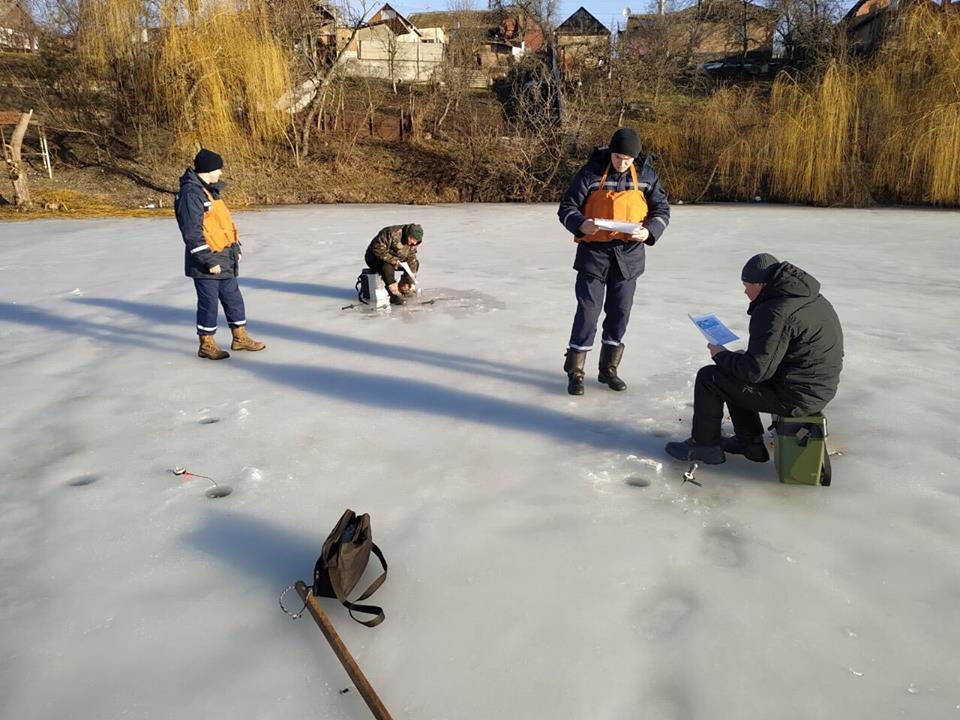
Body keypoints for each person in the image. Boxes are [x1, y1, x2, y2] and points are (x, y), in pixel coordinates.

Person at [665, 254, 843, 464]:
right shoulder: (809, 298)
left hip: (796, 397)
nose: (745, 291)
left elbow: (755, 372)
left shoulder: (775, 311)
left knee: (709, 378)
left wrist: (721, 355)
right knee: (733, 371)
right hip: (815, 388)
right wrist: (739, 360)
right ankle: (749, 443)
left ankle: (705, 446)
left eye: (746, 285)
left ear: (761, 284)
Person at [557, 127, 671, 395]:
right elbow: (566, 208)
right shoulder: (591, 173)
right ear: (611, 153)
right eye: (618, 157)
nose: (622, 163)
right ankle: (575, 371)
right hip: (593, 254)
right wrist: (580, 224)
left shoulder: (646, 176)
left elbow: (662, 210)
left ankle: (608, 369)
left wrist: (650, 230)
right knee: (588, 312)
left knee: (620, 313)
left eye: (627, 159)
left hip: (629, 255)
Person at [175, 148, 266, 360]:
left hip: (225, 257)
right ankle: (206, 344)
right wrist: (207, 259)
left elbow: (222, 225)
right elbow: (191, 232)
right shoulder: (191, 194)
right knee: (209, 303)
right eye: (218, 169)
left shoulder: (210, 190)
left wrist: (236, 248)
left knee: (233, 299)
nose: (221, 173)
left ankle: (240, 337)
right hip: (207, 262)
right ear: (208, 169)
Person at [364, 224, 423, 305]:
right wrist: (394, 261)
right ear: (407, 234)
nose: (414, 243)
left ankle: (404, 287)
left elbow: (411, 256)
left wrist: (410, 280)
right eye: (412, 239)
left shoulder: (414, 242)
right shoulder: (391, 233)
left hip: (397, 259)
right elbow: (377, 249)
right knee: (388, 267)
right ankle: (394, 293)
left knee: (414, 263)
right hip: (375, 258)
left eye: (416, 241)